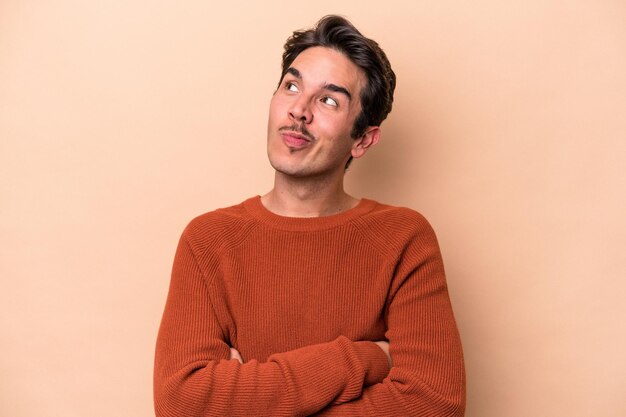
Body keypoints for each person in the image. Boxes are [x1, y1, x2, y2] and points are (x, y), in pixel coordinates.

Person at [154, 15, 466, 416]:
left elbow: (435, 404)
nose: (299, 110)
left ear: (363, 139)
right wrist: (366, 359)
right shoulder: (209, 239)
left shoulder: (403, 238)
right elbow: (182, 403)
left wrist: (247, 398)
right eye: (292, 85)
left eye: (329, 100)